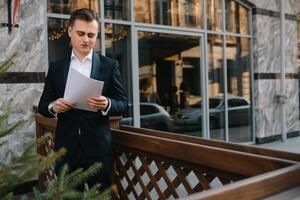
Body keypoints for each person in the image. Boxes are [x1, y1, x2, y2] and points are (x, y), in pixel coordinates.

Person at [38, 8, 128, 192]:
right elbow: (42, 106)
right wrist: (54, 107)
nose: (86, 40)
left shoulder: (109, 66)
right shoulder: (56, 68)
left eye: (91, 35)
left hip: (99, 153)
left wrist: (107, 103)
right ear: (70, 31)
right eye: (81, 33)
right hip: (65, 152)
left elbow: (123, 104)